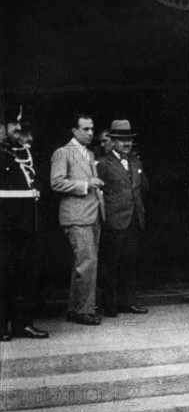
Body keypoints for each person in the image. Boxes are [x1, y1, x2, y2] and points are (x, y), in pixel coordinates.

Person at [50, 113, 105, 326]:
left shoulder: (89, 154)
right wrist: (85, 185)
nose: (91, 133)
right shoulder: (63, 153)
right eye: (85, 129)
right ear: (74, 130)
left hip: (92, 215)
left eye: (92, 129)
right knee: (87, 262)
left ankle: (75, 309)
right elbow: (56, 183)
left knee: (83, 264)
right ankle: (84, 310)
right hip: (76, 216)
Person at [0, 104, 49, 340]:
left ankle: (23, 323)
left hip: (28, 224)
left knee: (25, 275)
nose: (19, 128)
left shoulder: (27, 151)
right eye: (14, 124)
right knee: (3, 275)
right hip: (4, 225)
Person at [97, 120, 149, 317]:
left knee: (130, 261)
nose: (126, 143)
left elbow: (144, 188)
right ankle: (109, 305)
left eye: (129, 139)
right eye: (122, 140)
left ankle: (128, 302)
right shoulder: (103, 163)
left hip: (134, 219)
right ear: (113, 141)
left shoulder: (136, 162)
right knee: (110, 263)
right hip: (114, 220)